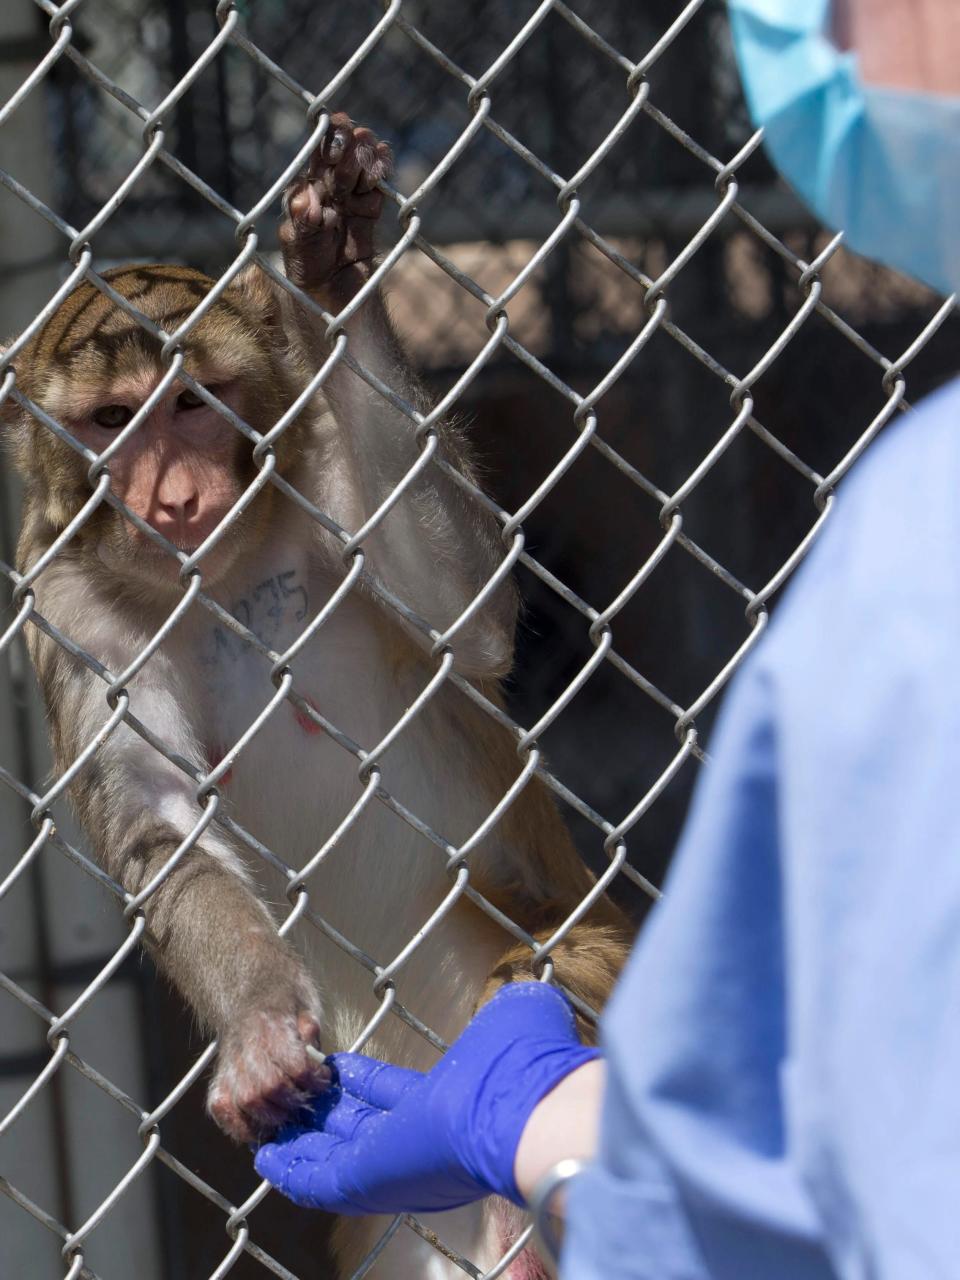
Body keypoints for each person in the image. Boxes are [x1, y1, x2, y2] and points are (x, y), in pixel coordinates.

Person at [254, 2, 960, 1275]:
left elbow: (824, 1205)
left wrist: (543, 1134)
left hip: (513, 946)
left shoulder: (919, 548)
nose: (826, 41)